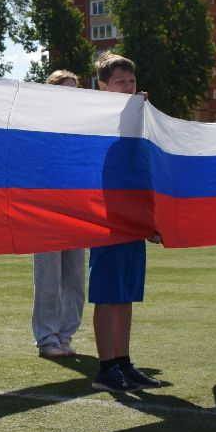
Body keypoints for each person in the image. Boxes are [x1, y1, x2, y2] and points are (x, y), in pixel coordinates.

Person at [85, 54, 159, 393]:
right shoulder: (98, 121)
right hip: (107, 224)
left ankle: (124, 362)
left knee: (126, 295)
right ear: (103, 87)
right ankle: (106, 368)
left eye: (131, 81)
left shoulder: (138, 122)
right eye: (120, 82)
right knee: (107, 296)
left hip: (132, 224)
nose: (128, 87)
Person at [32, 69, 87, 359]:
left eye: (75, 89)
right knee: (48, 279)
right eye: (66, 89)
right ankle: (47, 339)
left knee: (75, 279)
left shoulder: (83, 128)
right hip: (45, 212)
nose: (72, 94)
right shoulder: (39, 128)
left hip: (75, 211)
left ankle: (65, 336)